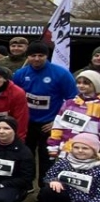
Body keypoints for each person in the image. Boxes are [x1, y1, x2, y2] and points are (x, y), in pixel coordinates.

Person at [12, 41, 78, 184]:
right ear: (27, 57)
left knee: (47, 156)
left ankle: (45, 186)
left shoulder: (61, 74)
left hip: (49, 124)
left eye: (40, 55)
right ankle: (25, 183)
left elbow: (73, 101)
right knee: (26, 154)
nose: (36, 59)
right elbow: (14, 96)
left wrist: (57, 121)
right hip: (27, 122)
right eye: (33, 55)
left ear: (47, 56)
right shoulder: (20, 74)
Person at [39, 132, 100, 202]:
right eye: (76, 147)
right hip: (64, 197)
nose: (80, 151)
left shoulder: (98, 168)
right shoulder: (64, 162)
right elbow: (48, 176)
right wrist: (54, 180)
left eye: (85, 148)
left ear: (94, 150)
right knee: (48, 189)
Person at [47, 70, 100, 161]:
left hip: (91, 153)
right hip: (66, 150)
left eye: (86, 83)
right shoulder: (69, 103)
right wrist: (53, 145)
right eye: (78, 83)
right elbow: (58, 126)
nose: (81, 86)